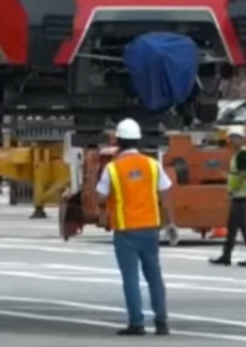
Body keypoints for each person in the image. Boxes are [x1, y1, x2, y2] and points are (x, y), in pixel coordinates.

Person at [94, 118, 172, 336]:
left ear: (118, 141)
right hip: (150, 228)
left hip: (126, 230)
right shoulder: (152, 164)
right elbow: (165, 192)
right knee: (154, 276)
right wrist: (171, 222)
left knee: (131, 278)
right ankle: (162, 322)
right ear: (138, 140)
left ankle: (137, 323)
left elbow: (100, 196)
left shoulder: (112, 168)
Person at [210, 126, 246, 267]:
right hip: (239, 196)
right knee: (232, 228)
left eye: (234, 137)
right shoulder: (238, 154)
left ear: (240, 139)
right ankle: (226, 255)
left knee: (245, 229)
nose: (231, 140)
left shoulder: (242, 154)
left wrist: (231, 184)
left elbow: (242, 174)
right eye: (231, 138)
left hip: (242, 196)